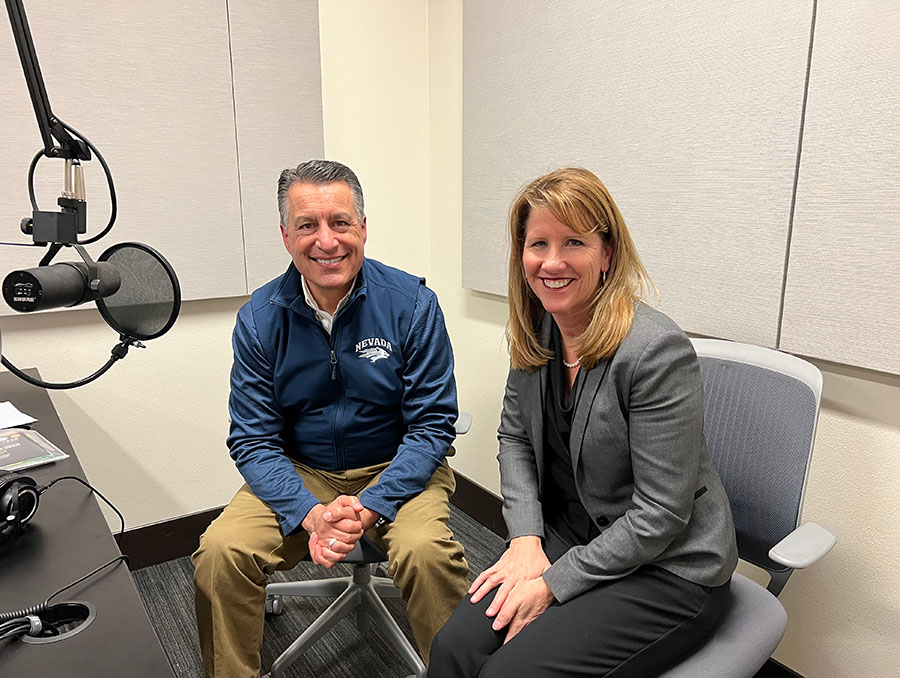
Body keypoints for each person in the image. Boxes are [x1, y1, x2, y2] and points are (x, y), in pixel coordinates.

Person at [429, 167, 738, 678]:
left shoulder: (654, 351)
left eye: (574, 242)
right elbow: (516, 438)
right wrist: (526, 540)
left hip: (667, 565)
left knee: (512, 673)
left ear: (607, 252)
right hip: (571, 532)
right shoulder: (538, 332)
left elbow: (661, 514)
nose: (552, 262)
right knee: (454, 647)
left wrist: (553, 582)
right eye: (538, 244)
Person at [193, 160, 468, 678]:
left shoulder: (412, 305)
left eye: (340, 222)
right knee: (220, 552)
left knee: (427, 554)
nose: (326, 241)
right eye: (307, 225)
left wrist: (372, 505)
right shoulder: (259, 318)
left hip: (397, 468)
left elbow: (432, 425)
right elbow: (252, 439)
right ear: (285, 236)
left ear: (362, 228)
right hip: (302, 470)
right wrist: (311, 513)